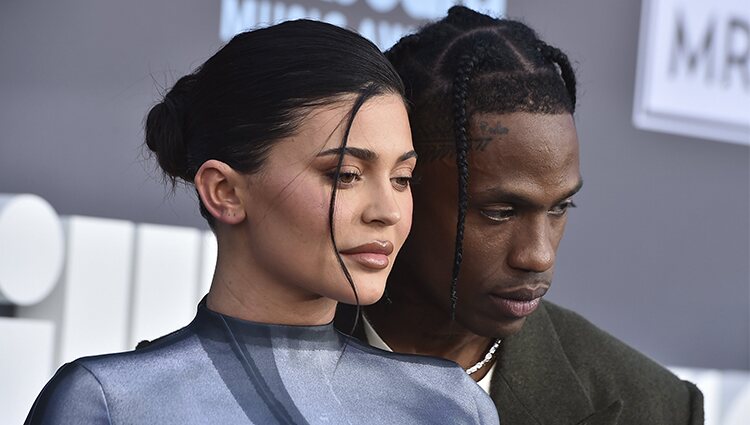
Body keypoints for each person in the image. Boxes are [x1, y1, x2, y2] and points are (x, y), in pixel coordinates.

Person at [24, 19, 499, 425]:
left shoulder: (448, 408)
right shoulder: (110, 404)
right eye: (346, 175)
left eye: (401, 178)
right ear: (225, 192)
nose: (388, 212)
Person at [336, 6, 703, 424]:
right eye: (500, 212)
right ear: (402, 185)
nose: (539, 257)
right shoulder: (264, 351)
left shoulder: (656, 407)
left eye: (559, 207)